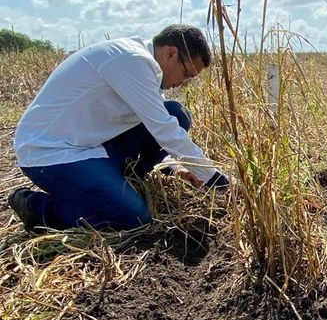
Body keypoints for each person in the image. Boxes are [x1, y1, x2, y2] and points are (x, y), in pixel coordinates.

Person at [8, 24, 228, 232]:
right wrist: (217, 181)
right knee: (132, 217)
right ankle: (35, 206)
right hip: (52, 155)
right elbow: (164, 130)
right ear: (170, 54)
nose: (185, 82)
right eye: (188, 74)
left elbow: (154, 124)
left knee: (176, 114)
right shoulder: (132, 60)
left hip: (92, 147)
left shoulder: (146, 70)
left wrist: (173, 167)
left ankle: (115, 184)